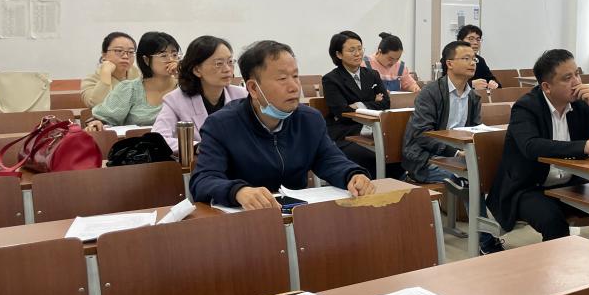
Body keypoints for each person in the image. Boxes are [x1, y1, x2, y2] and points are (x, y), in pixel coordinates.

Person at [190, 40, 374, 209]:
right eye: (282, 79)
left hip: (296, 215)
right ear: (253, 88)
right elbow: (203, 181)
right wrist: (238, 191)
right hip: (246, 219)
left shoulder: (309, 120)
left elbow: (330, 160)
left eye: (295, 76)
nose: (294, 87)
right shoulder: (221, 125)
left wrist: (352, 175)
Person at [487, 49, 589, 244]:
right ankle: (559, 264)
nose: (576, 82)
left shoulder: (580, 103)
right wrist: (584, 146)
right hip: (528, 187)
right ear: (547, 87)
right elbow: (531, 146)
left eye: (577, 74)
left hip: (569, 185)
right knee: (553, 221)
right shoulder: (526, 107)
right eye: (567, 78)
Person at [401, 40, 501, 255]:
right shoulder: (431, 93)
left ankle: (495, 226)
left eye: (474, 59)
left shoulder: (473, 96)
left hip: (458, 158)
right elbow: (421, 134)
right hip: (424, 157)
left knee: (491, 171)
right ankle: (485, 241)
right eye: (466, 58)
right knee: (471, 177)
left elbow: (475, 130)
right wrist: (455, 151)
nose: (472, 63)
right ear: (449, 63)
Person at [151, 35, 247, 153]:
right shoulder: (175, 100)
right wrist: (197, 146)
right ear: (197, 70)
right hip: (200, 162)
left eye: (230, 62)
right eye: (219, 63)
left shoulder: (242, 95)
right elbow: (158, 139)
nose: (227, 69)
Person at [322, 30, 391, 172]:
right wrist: (372, 102)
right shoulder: (331, 79)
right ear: (339, 54)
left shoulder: (372, 74)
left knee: (395, 152)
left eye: (360, 49)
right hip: (346, 133)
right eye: (352, 50)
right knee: (372, 157)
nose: (358, 53)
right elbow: (342, 113)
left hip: (374, 129)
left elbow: (385, 103)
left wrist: (359, 104)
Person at [86, 31, 179, 129]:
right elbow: (105, 119)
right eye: (163, 55)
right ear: (146, 60)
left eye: (174, 54)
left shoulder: (184, 87)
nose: (171, 60)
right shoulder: (129, 89)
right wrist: (98, 123)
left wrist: (183, 77)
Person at [81, 32, 142, 107]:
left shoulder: (141, 76)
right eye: (119, 51)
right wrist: (106, 73)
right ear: (104, 55)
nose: (125, 56)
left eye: (131, 52)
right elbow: (98, 106)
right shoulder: (90, 81)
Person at [457, 24, 499, 90]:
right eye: (471, 39)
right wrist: (471, 85)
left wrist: (493, 83)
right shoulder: (452, 59)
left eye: (478, 39)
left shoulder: (480, 60)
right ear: (460, 41)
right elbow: (446, 86)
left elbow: (491, 79)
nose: (476, 43)